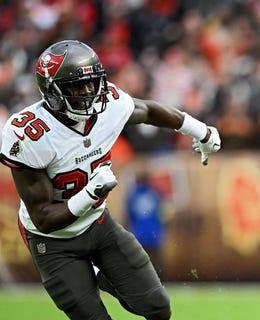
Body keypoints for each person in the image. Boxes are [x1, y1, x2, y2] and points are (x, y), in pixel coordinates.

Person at [0, 40, 221, 320]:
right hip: (53, 241)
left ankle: (102, 276)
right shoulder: (29, 134)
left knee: (157, 307)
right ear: (52, 92)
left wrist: (201, 131)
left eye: (92, 83)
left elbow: (149, 111)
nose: (88, 92)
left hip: (98, 225)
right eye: (76, 87)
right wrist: (90, 194)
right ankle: (88, 273)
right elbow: (43, 217)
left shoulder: (109, 105)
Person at [126, 170, 171, 279]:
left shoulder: (133, 195)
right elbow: (164, 213)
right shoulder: (155, 193)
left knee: (139, 262)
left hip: (139, 234)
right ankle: (160, 283)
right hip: (154, 233)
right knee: (156, 262)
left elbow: (129, 216)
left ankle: (141, 283)